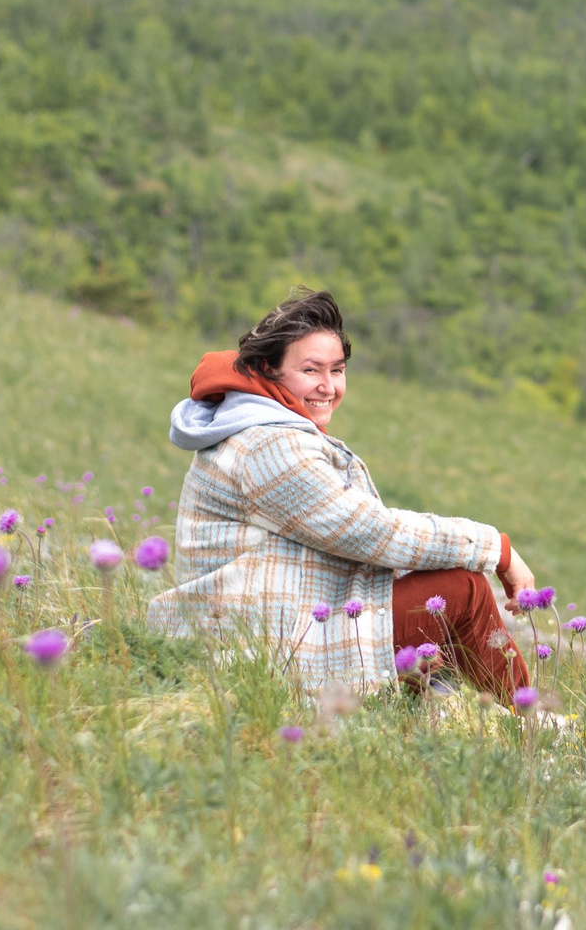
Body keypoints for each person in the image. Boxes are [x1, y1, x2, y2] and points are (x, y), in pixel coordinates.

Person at [148, 288, 537, 700]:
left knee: (435, 609)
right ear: (269, 369)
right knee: (462, 590)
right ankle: (532, 723)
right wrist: (496, 548)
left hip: (272, 629)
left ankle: (461, 709)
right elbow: (371, 532)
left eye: (337, 370)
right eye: (311, 370)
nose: (328, 387)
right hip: (259, 651)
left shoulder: (259, 428)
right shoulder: (267, 447)